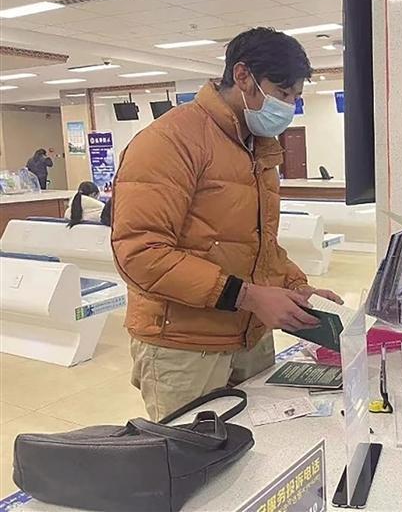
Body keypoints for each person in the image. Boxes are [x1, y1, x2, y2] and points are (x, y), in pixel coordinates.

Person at [111, 27, 342, 420]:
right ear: (242, 76)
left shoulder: (258, 146)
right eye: (282, 93)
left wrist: (295, 287)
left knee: (260, 447)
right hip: (185, 346)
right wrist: (248, 296)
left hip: (250, 337)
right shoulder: (170, 141)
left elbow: (257, 245)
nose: (288, 106)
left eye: (295, 97)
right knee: (195, 452)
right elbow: (139, 253)